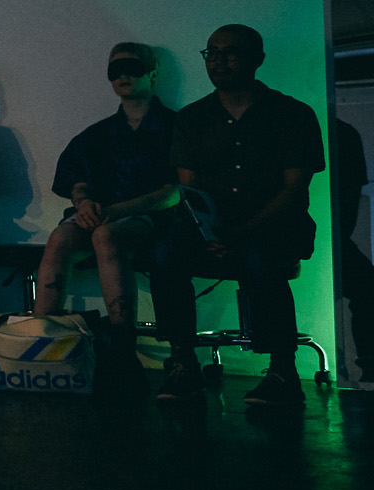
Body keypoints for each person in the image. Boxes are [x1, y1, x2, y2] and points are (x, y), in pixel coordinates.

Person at [149, 25, 324, 406]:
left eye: (230, 53)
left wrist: (240, 232)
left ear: (257, 59)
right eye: (211, 52)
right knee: (164, 252)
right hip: (213, 228)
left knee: (260, 255)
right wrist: (210, 232)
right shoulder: (193, 118)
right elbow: (190, 191)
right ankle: (183, 363)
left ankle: (283, 371)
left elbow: (293, 191)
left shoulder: (292, 114)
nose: (218, 60)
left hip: (275, 225)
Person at [32, 43, 179, 385]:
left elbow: (172, 192)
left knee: (106, 235)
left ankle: (123, 346)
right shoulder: (97, 134)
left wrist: (115, 211)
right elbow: (75, 177)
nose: (123, 75)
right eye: (116, 70)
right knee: (60, 237)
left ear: (152, 71)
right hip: (98, 214)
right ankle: (40, 337)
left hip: (151, 219)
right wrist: (83, 201)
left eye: (132, 67)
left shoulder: (175, 127)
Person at [331, 116, 373, 384]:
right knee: (367, 291)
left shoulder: (342, 135)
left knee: (367, 291)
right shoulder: (343, 134)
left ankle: (370, 366)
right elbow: (347, 209)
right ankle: (369, 367)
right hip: (327, 235)